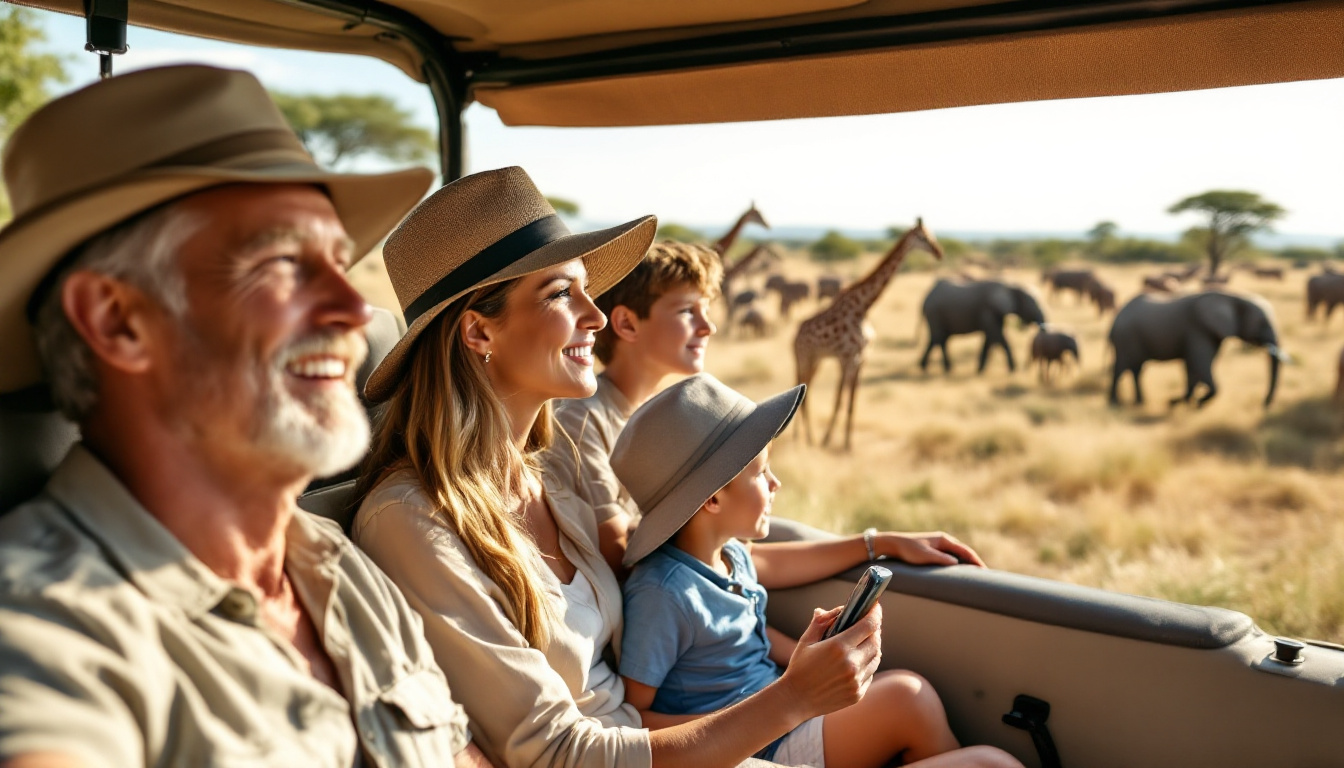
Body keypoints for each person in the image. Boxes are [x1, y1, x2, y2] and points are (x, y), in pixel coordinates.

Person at [0, 65, 490, 767]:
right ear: (118, 321)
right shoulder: (45, 630)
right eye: (286, 263)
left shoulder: (338, 569)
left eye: (339, 262)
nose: (355, 312)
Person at [352, 166, 883, 768]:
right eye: (560, 293)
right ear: (478, 330)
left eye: (587, 290)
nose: (597, 316)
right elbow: (556, 752)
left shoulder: (547, 481)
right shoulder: (412, 521)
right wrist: (792, 700)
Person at [613, 374, 1023, 768]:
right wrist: (780, 703)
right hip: (758, 744)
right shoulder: (662, 594)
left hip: (784, 711)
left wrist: (881, 544)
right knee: (914, 700)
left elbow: (768, 577)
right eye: (761, 473)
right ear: (714, 500)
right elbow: (637, 722)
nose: (775, 484)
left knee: (912, 697)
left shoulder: (728, 556)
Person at [542, 240, 722, 575]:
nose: (707, 327)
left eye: (707, 310)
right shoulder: (582, 420)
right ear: (626, 324)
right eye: (687, 311)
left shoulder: (667, 417)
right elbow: (619, 554)